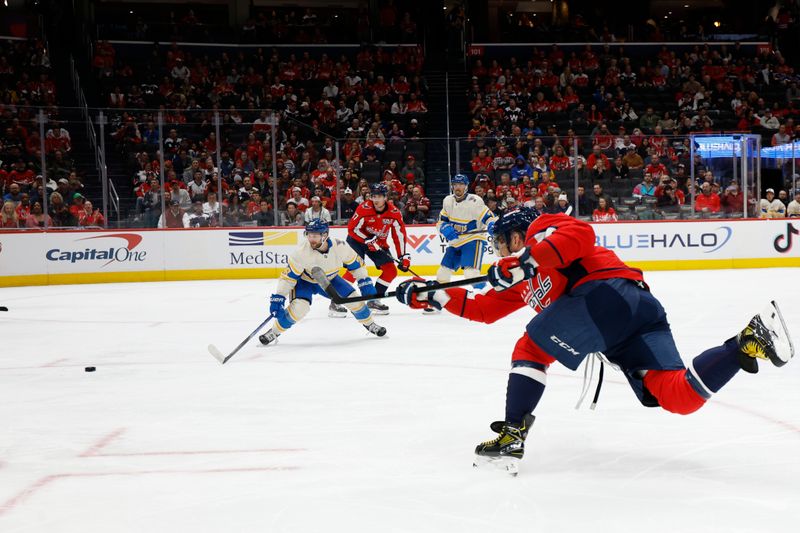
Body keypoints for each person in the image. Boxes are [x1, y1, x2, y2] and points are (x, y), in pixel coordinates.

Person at [395, 208, 794, 475]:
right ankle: (746, 342)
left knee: (531, 348)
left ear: (517, 236)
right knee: (677, 397)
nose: (498, 250)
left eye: (501, 242)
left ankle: (512, 435)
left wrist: (524, 262)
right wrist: (432, 295)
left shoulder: (539, 232)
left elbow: (580, 235)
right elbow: (484, 310)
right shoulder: (518, 277)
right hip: (632, 319)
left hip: (607, 294)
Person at [258, 219, 386, 346]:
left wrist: (365, 282)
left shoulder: (340, 246)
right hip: (305, 282)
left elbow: (356, 265)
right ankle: (274, 332)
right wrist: (279, 297)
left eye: (314, 236)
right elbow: (288, 278)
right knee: (299, 308)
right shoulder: (301, 253)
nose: (310, 239)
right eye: (308, 235)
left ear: (325, 235)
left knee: (355, 301)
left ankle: (370, 324)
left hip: (330, 280)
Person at [342, 182, 410, 315]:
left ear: (385, 197)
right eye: (373, 196)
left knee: (390, 271)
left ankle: (373, 300)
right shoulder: (364, 207)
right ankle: (336, 301)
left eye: (379, 196)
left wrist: (403, 256)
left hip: (378, 243)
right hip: (357, 240)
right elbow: (352, 229)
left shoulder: (394, 213)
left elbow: (399, 236)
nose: (376, 199)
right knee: (356, 269)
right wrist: (366, 239)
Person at [432, 174, 496, 313]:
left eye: (461, 185)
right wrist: (443, 228)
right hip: (456, 242)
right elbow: (441, 221)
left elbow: (489, 217)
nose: (458, 187)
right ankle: (439, 299)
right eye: (455, 184)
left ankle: (486, 298)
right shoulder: (448, 201)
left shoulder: (475, 201)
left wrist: (492, 226)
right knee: (442, 273)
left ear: (466, 187)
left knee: (471, 274)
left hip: (473, 239)